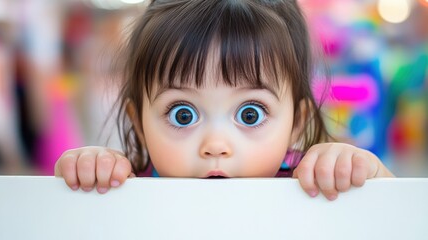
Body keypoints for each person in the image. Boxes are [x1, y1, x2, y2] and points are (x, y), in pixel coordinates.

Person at [54, 0, 394, 201]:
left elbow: (398, 218)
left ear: (297, 123)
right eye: (183, 115)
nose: (216, 145)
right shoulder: (128, 188)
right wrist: (92, 174)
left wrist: (362, 174)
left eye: (249, 114)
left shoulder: (310, 185)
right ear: (139, 123)